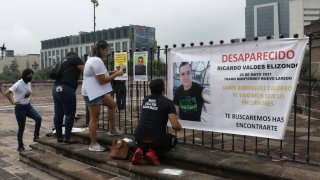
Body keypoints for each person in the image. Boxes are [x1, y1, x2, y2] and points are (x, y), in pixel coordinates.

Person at [82, 40, 124, 152]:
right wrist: (117, 74)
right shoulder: (96, 61)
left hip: (95, 91)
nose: (108, 52)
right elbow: (102, 80)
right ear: (101, 50)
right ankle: (93, 144)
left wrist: (112, 72)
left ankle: (112, 130)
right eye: (106, 50)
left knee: (112, 104)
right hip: (92, 93)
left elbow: (100, 74)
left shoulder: (92, 59)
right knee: (94, 119)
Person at [132, 79, 182, 166]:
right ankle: (154, 154)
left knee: (145, 139)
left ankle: (140, 150)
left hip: (138, 137)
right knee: (173, 140)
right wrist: (180, 126)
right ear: (163, 89)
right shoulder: (168, 103)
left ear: (150, 89)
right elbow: (175, 126)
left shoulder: (145, 100)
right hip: (156, 140)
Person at [4, 69, 42, 152]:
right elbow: (7, 93)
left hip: (28, 107)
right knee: (21, 127)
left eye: (32, 75)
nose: (31, 77)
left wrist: (28, 100)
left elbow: (26, 93)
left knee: (38, 118)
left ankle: (36, 136)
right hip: (20, 108)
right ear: (25, 75)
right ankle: (20, 146)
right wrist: (12, 102)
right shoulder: (18, 84)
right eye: (30, 76)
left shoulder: (29, 83)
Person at [52, 51, 84, 143]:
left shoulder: (62, 62)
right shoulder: (75, 58)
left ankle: (59, 137)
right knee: (70, 114)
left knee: (58, 114)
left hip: (55, 88)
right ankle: (67, 137)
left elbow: (73, 80)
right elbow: (86, 71)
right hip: (67, 90)